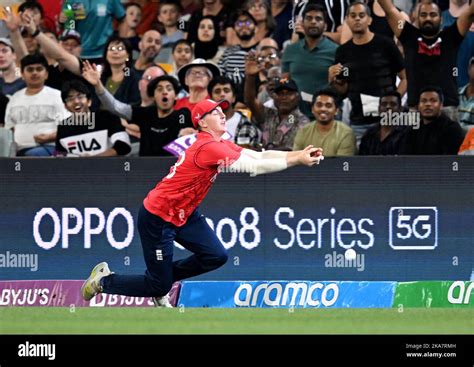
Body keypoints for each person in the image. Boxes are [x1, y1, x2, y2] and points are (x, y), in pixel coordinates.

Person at [81, 98, 324, 306]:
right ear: (201, 121)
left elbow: (259, 155)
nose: (222, 114)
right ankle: (103, 280)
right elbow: (255, 167)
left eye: (222, 111)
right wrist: (297, 161)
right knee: (158, 285)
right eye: (215, 112)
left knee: (215, 256)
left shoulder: (220, 144)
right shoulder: (207, 146)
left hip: (185, 214)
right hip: (158, 216)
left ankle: (161, 280)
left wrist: (298, 154)